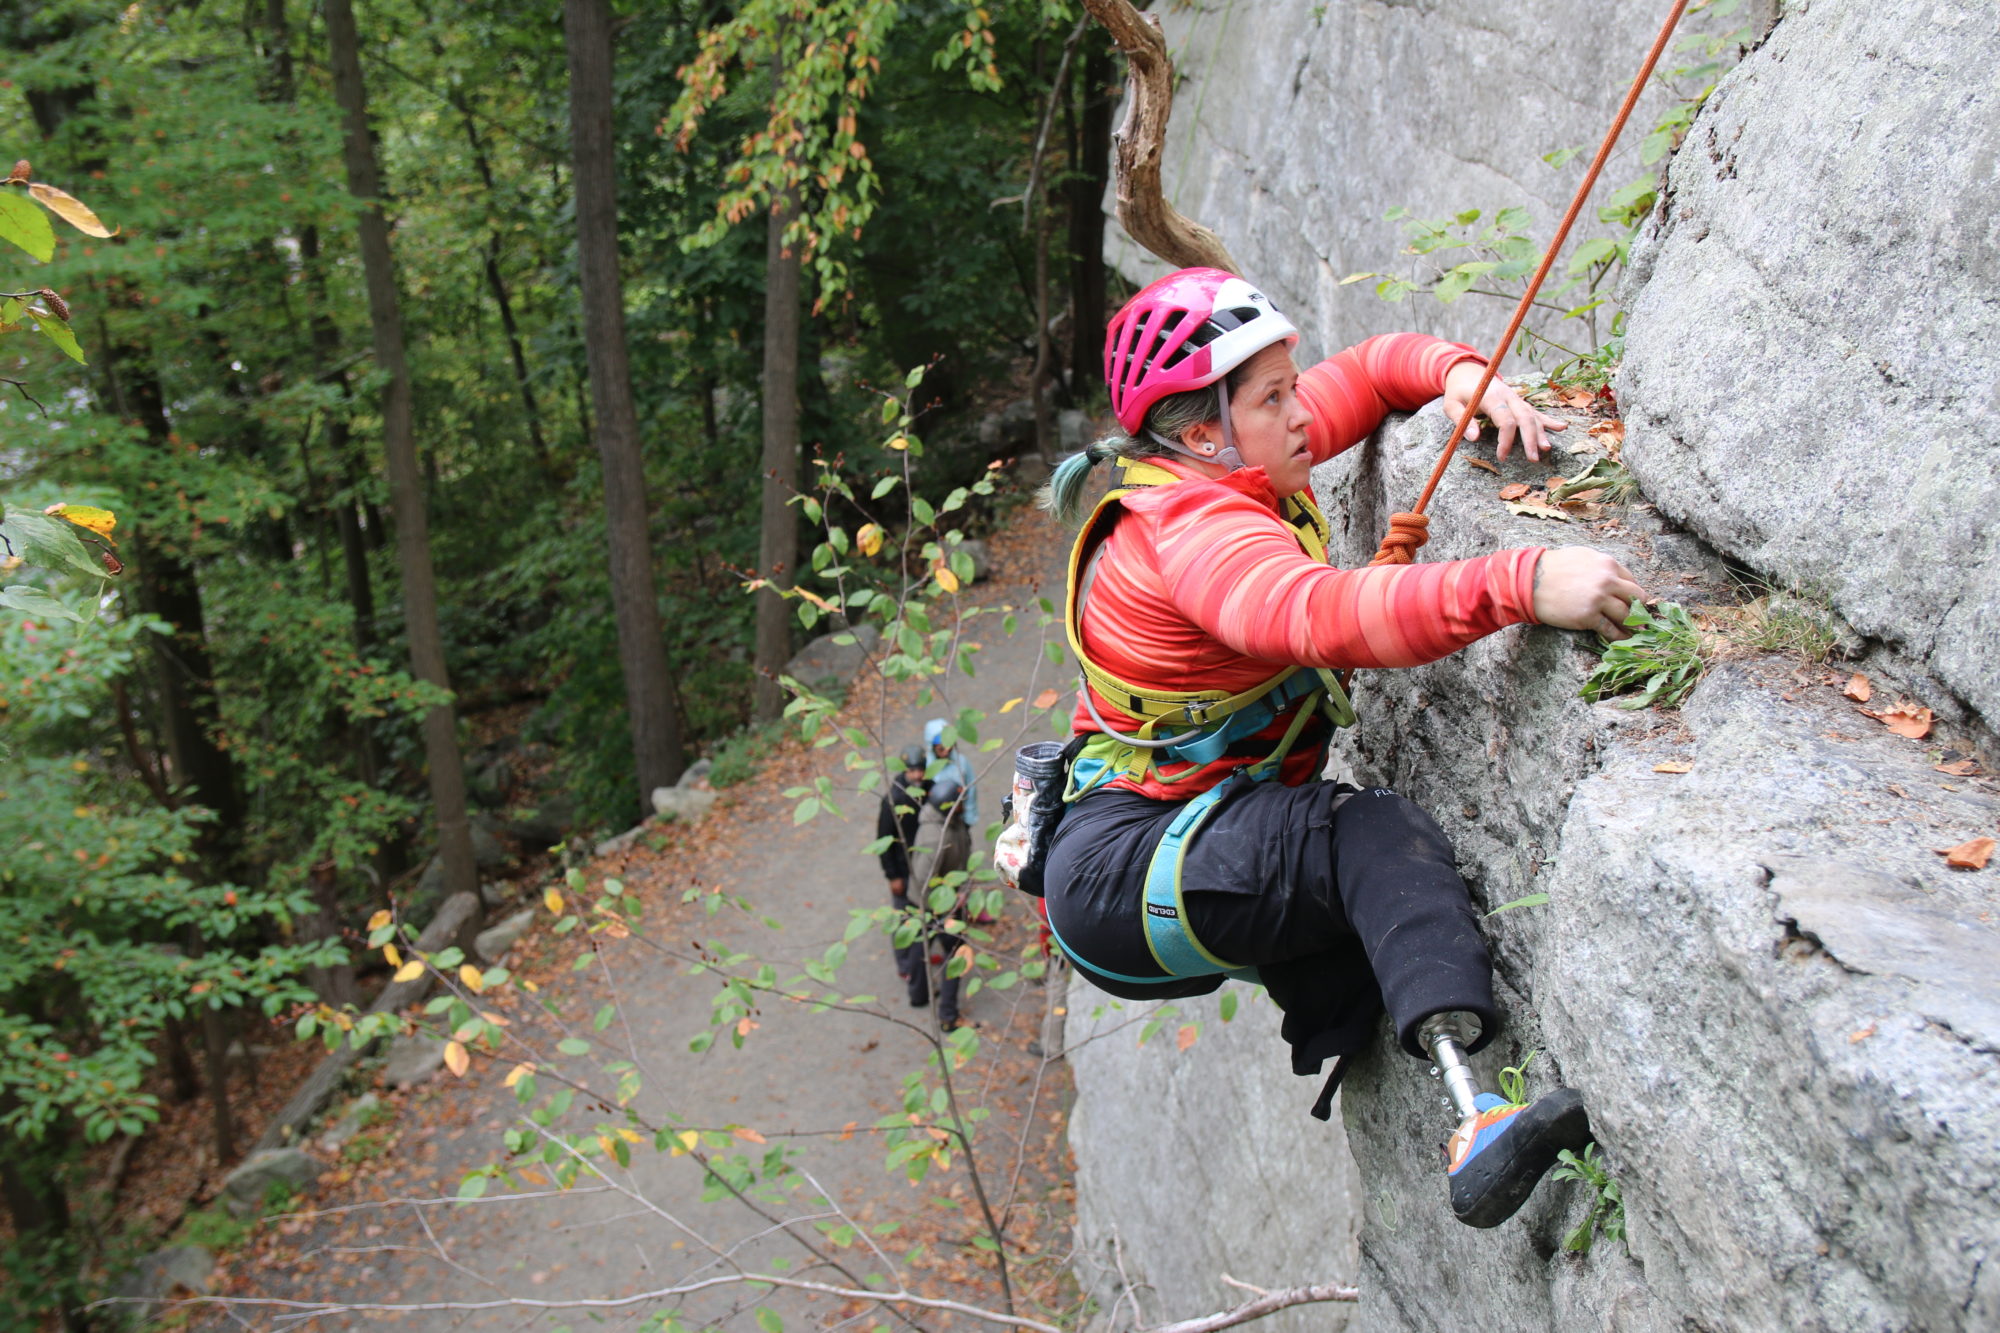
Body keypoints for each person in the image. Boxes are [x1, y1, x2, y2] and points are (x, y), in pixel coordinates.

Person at [1037, 267, 1643, 1228]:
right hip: (1121, 871)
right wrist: (1522, 579)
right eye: (1274, 397)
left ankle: (1351, 994)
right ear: (1204, 431)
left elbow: (1365, 373)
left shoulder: (1237, 450)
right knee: (1366, 839)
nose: (1300, 410)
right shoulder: (1191, 534)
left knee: (1337, 875)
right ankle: (1478, 1120)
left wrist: (1454, 374)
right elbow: (1327, 615)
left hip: (1164, 829)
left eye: (1288, 384)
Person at [876, 744, 930, 983]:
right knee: (902, 917)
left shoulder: (927, 788)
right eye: (912, 771)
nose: (917, 775)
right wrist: (892, 876)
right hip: (903, 867)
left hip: (921, 864)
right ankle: (905, 964)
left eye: (920, 770)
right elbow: (883, 841)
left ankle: (921, 958)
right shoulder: (893, 800)